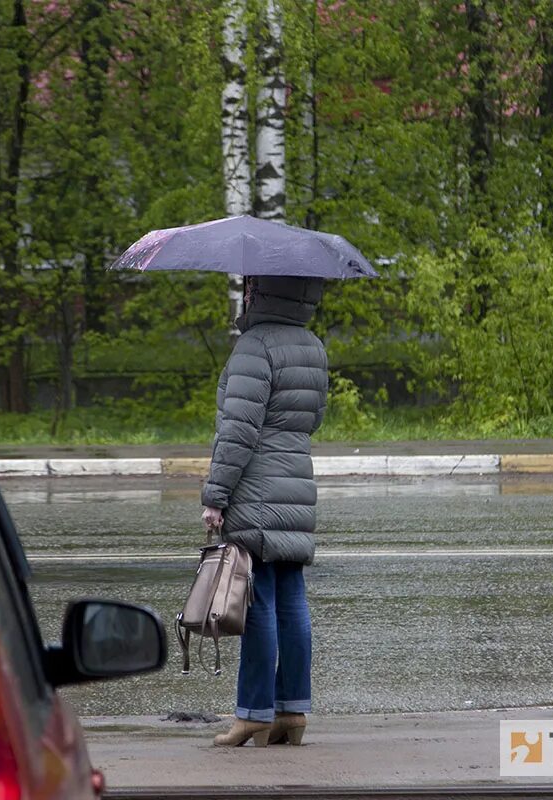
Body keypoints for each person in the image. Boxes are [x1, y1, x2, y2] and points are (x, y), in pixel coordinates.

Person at [200, 275, 328, 748]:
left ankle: (252, 711)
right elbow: (312, 418)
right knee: (292, 601)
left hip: (255, 490)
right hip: (295, 485)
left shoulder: (255, 347)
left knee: (257, 602)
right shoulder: (312, 346)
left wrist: (216, 495)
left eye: (251, 286)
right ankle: (291, 710)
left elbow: (238, 431)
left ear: (262, 292)